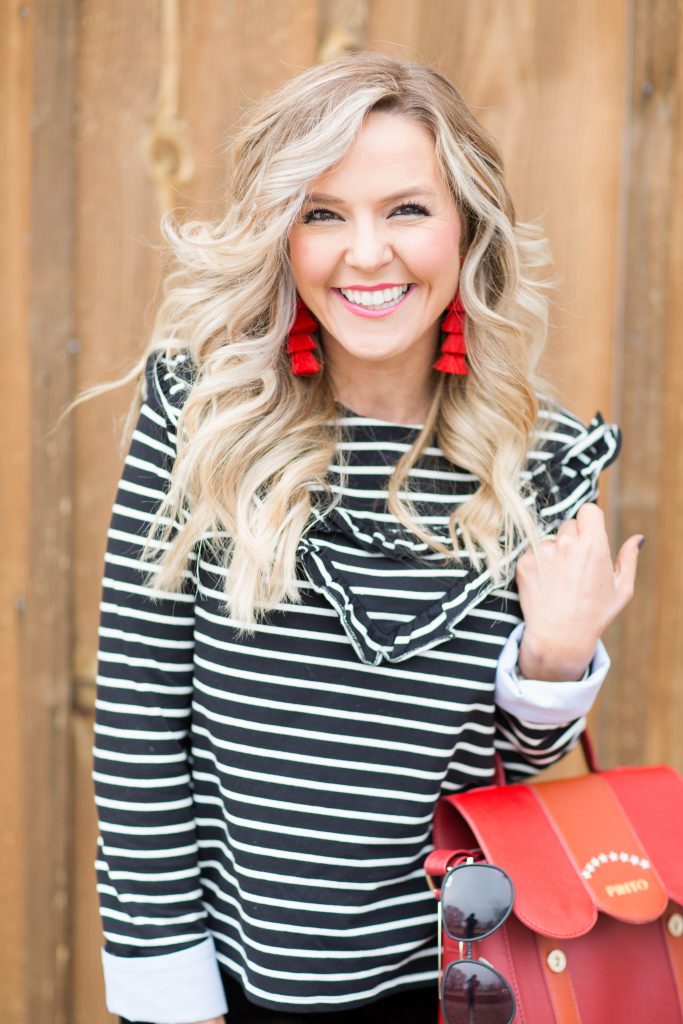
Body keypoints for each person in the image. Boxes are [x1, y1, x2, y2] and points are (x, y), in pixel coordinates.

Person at [91, 52, 642, 1024]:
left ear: (466, 226)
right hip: (229, 981)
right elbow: (138, 728)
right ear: (282, 237)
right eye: (322, 214)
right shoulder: (201, 421)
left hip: (454, 979)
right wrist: (169, 991)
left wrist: (555, 659)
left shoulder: (537, 461)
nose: (366, 253)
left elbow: (509, 770)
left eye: (406, 209)